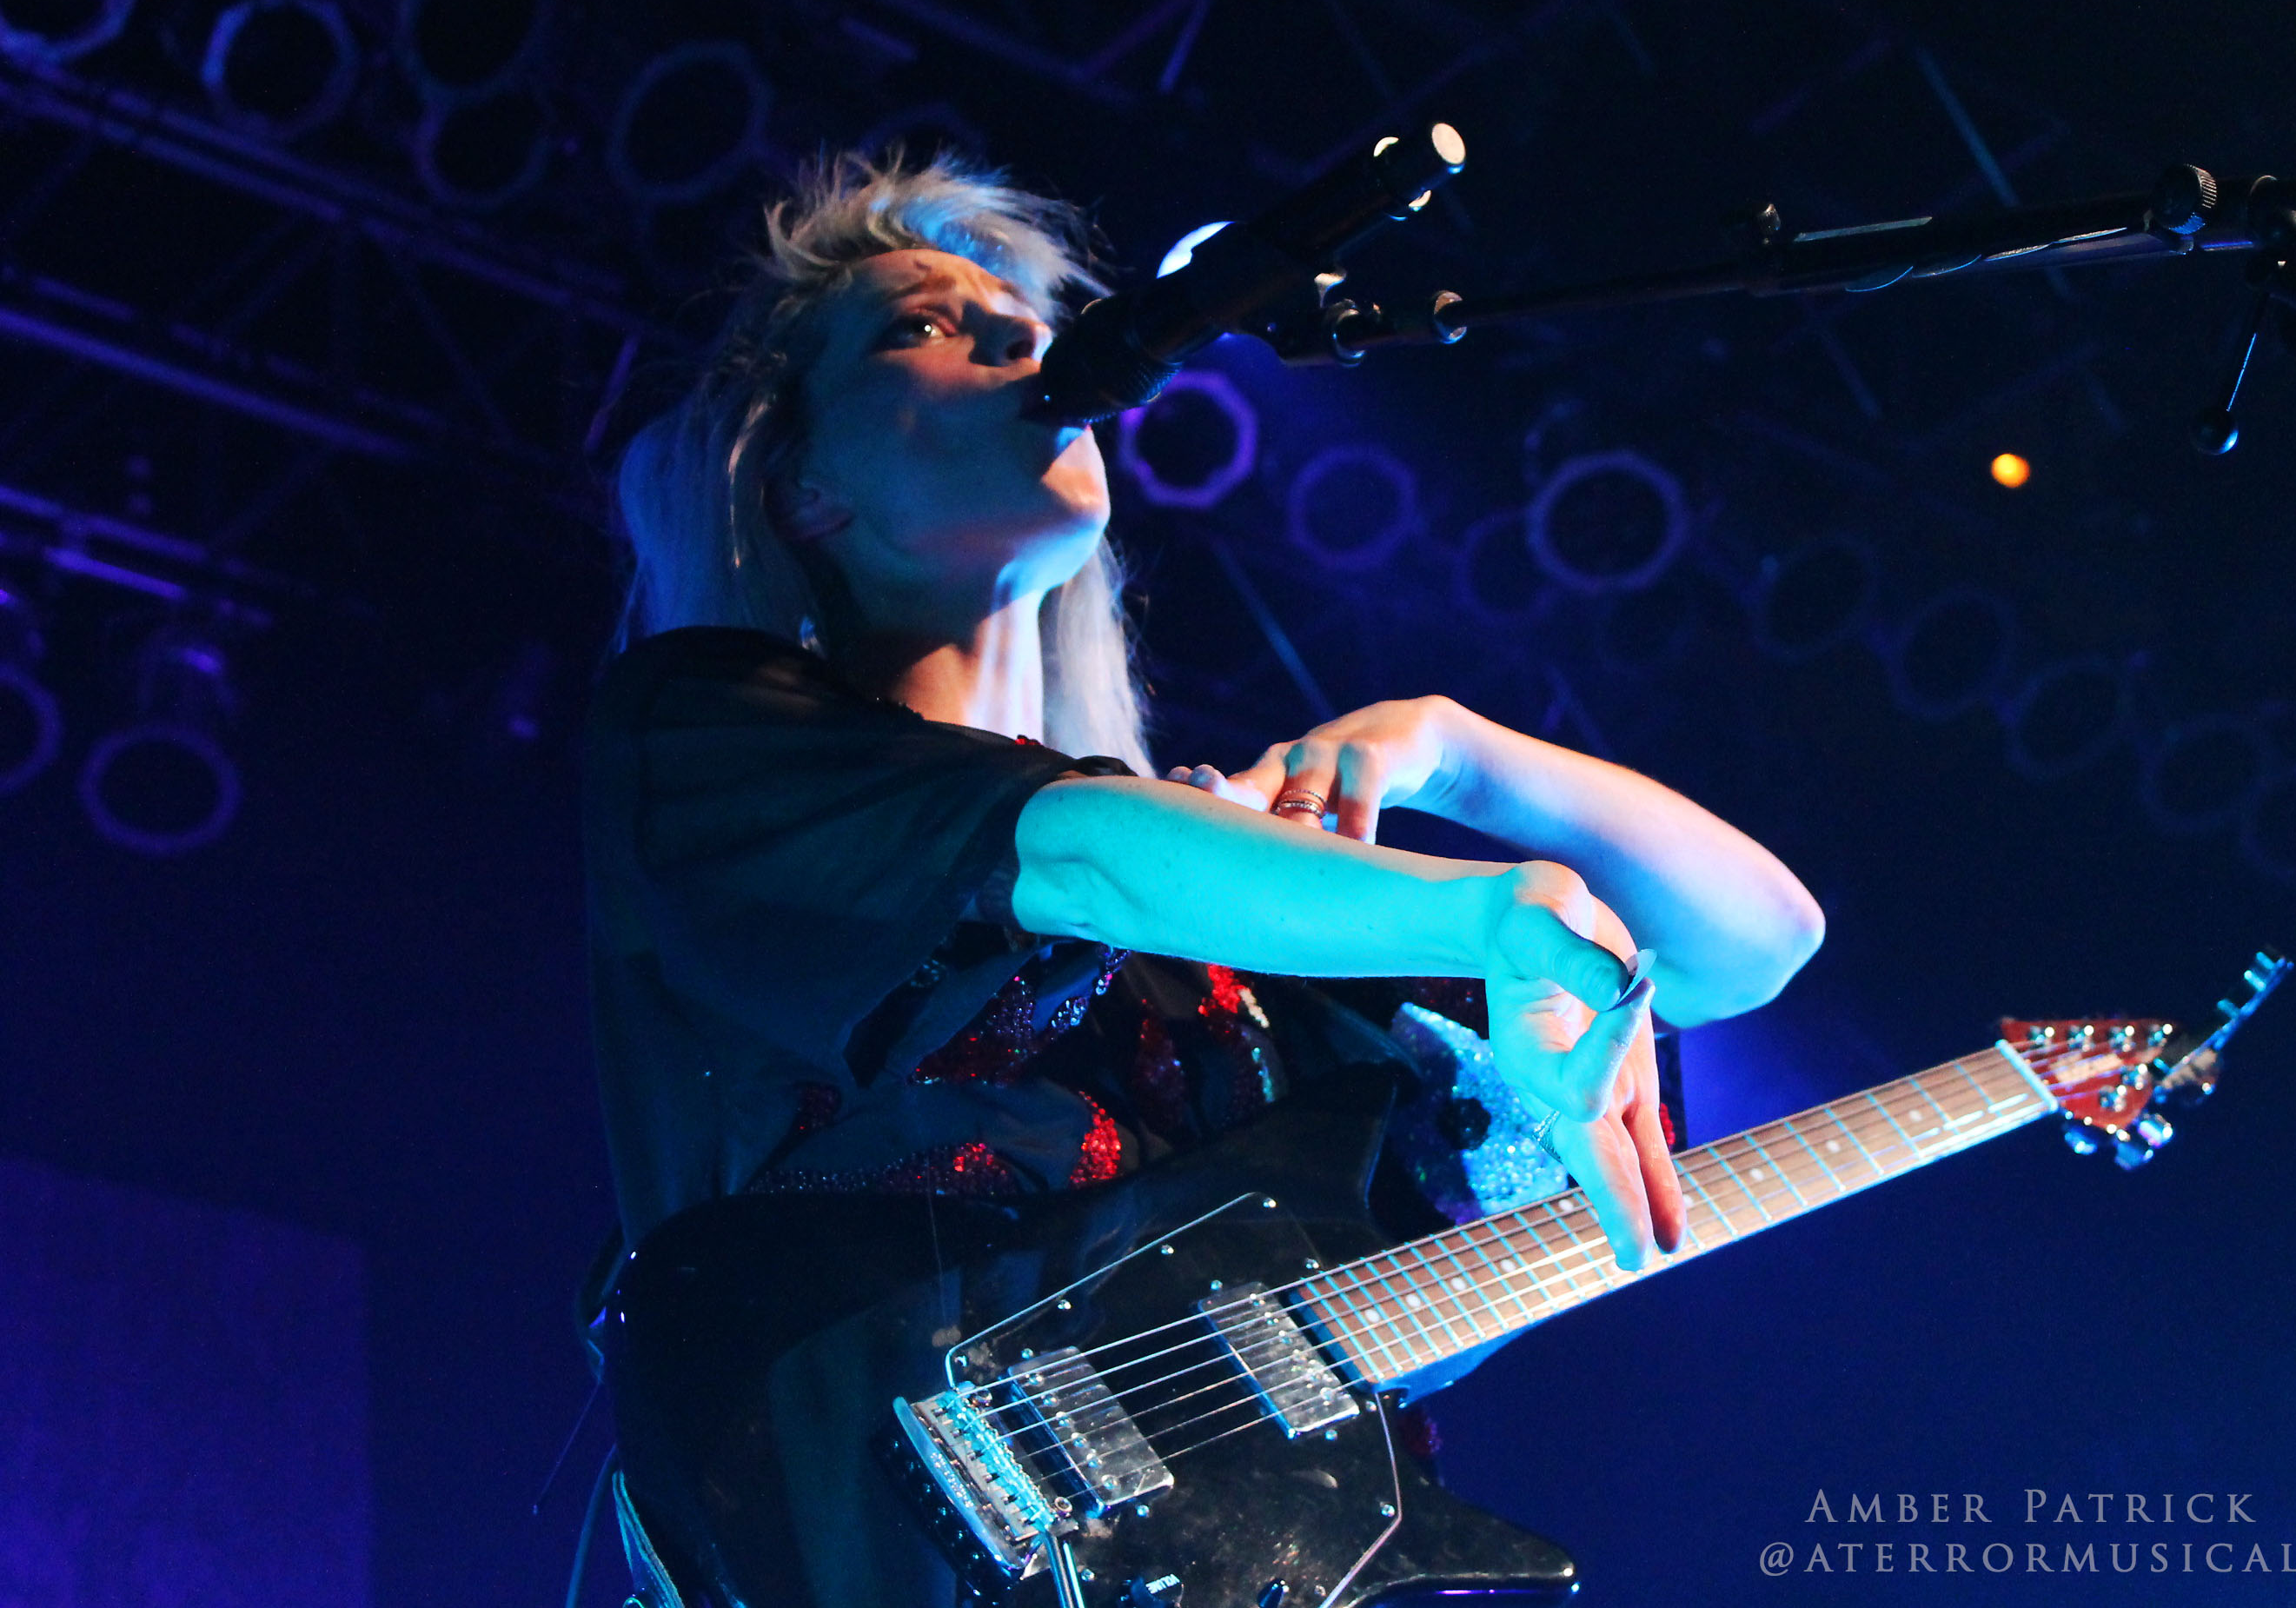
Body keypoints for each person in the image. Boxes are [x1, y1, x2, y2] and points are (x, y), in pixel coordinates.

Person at [586, 151, 1825, 1605]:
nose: (1018, 337)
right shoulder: (711, 740)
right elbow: (1069, 852)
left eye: (1024, 319)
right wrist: (1485, 905)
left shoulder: (1237, 912)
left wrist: (1465, 757)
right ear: (803, 490)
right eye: (919, 324)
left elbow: (1750, 946)